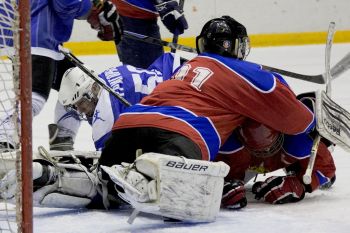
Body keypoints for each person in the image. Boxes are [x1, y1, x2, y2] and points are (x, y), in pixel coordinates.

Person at [96, 15, 335, 221]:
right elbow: (299, 120)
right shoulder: (251, 74)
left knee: (102, 183)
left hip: (128, 125)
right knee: (177, 198)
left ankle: (91, 179)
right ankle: (145, 178)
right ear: (239, 47)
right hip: (180, 135)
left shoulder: (184, 67)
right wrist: (313, 116)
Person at [0, 0, 120, 151]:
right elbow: (65, 4)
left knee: (77, 81)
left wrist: (96, 9)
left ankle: (62, 139)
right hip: (37, 34)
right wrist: (94, 11)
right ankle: (5, 139)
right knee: (34, 97)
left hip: (28, 28)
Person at [56, 52, 181, 151]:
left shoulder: (104, 116)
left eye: (81, 102)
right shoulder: (103, 77)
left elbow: (107, 164)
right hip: (173, 68)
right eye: (75, 105)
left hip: (178, 101)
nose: (79, 109)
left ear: (93, 88)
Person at [88, 0, 188, 68]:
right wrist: (164, 3)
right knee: (147, 77)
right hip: (132, 13)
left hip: (137, 14)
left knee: (150, 75)